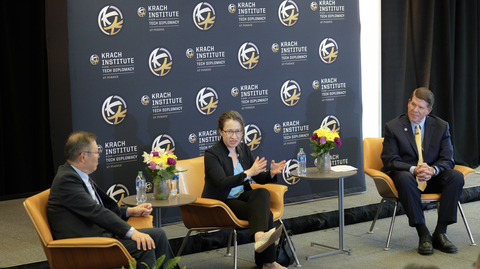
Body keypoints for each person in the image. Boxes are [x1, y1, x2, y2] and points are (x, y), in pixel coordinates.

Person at [47, 131, 178, 269]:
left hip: (98, 233)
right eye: (97, 152)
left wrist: (129, 211)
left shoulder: (75, 175)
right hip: (86, 245)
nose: (99, 156)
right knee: (144, 246)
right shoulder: (67, 180)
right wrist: (133, 232)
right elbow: (96, 211)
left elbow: (98, 207)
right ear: (83, 156)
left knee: (159, 235)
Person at [381, 87, 464, 255]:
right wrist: (414, 169)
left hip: (432, 177)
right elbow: (390, 160)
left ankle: (440, 232)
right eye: (413, 104)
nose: (414, 110)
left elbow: (448, 160)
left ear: (429, 111)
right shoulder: (393, 127)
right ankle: (423, 233)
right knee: (404, 178)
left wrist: (433, 170)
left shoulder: (441, 126)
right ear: (408, 102)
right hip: (407, 178)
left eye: (420, 107)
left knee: (456, 176)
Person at [203, 111, 287, 269]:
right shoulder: (212, 154)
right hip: (222, 202)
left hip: (240, 195)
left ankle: (260, 238)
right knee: (266, 214)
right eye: (229, 131)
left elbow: (257, 177)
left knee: (262, 192)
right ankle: (268, 261)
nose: (234, 136)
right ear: (220, 131)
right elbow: (222, 183)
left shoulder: (242, 149)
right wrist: (249, 172)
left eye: (238, 131)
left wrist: (270, 173)